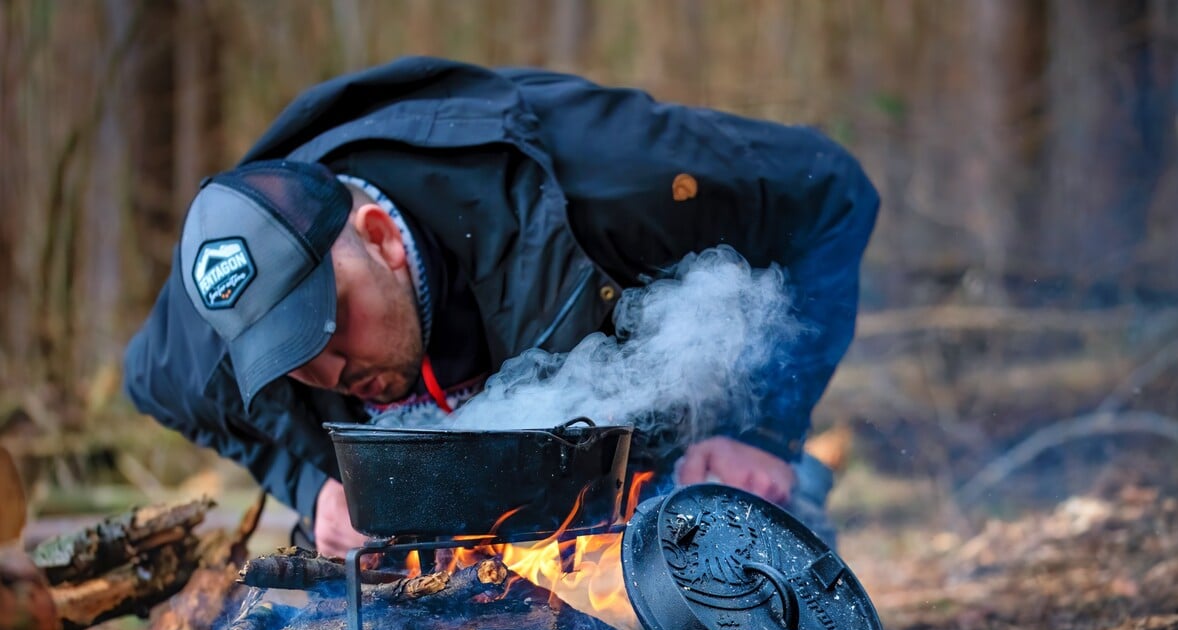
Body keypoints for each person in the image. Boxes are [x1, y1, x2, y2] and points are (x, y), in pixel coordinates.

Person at [124, 57, 879, 558]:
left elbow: (831, 192)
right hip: (474, 558)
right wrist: (313, 486)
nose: (328, 369)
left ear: (381, 238)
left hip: (655, 477)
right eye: (289, 354)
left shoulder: (604, 175)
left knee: (756, 540)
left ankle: (799, 480)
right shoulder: (215, 320)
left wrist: (762, 431)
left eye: (327, 323)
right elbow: (151, 386)